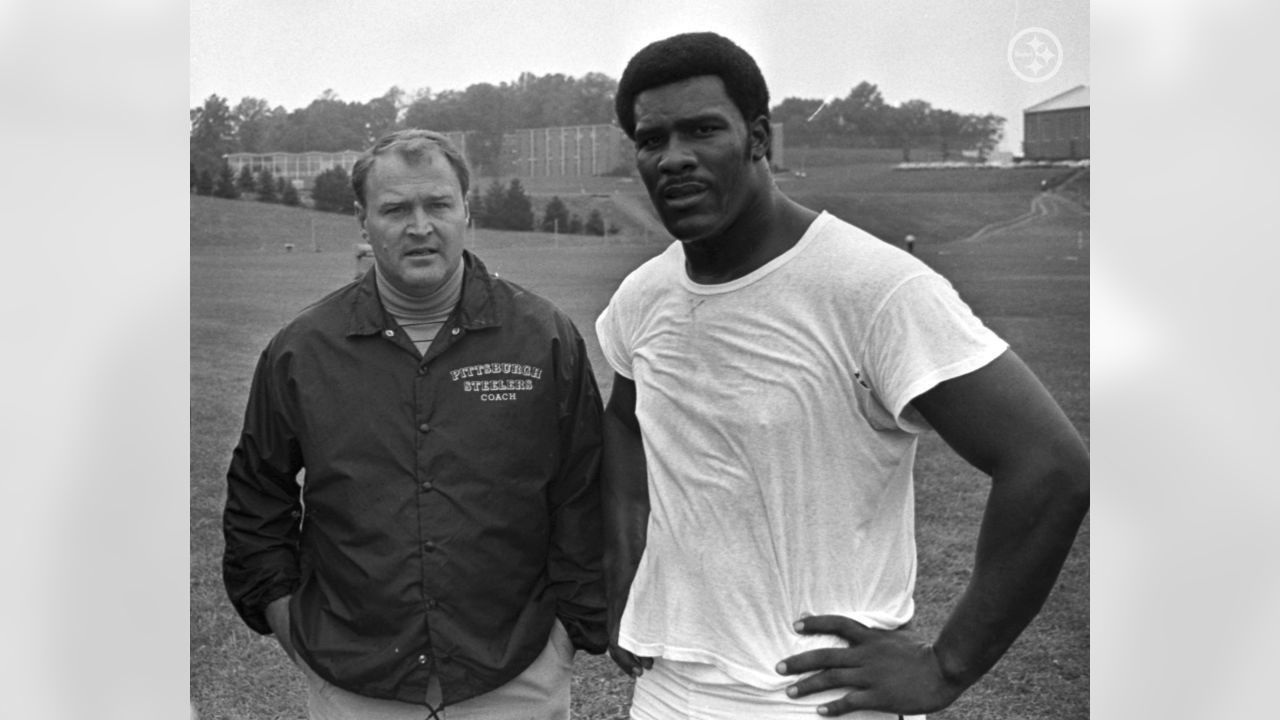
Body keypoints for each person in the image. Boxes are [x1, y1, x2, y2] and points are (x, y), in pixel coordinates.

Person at [596, 32, 1089, 719]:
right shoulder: (643, 298)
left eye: (703, 129)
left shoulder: (875, 288)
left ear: (759, 137)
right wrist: (626, 571)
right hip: (670, 691)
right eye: (652, 140)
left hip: (818, 700)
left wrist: (947, 666)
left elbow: (1050, 465)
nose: (674, 157)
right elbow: (626, 422)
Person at [223, 129, 607, 720]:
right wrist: (287, 620)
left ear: (467, 211)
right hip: (354, 680)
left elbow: (584, 494)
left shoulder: (543, 337)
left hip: (514, 673)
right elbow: (258, 497)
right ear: (362, 220)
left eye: (438, 205)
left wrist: (563, 637)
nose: (420, 226)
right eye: (396, 209)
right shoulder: (302, 351)